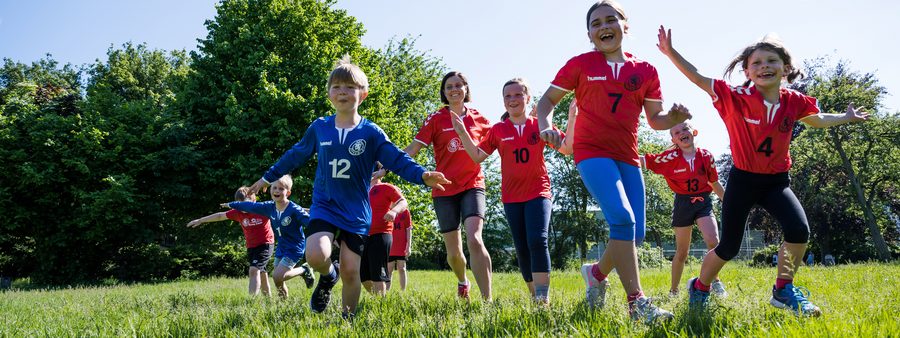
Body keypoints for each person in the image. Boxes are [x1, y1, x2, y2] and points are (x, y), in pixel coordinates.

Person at [658, 26, 868, 317]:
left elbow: (816, 119)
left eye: (771, 61)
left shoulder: (794, 101)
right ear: (746, 71)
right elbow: (697, 77)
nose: (764, 67)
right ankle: (700, 287)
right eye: (756, 63)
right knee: (728, 247)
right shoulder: (734, 97)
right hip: (743, 180)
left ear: (785, 69)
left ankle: (783, 290)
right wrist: (671, 53)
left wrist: (844, 117)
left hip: (776, 182)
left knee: (798, 230)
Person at [247, 57, 450, 319]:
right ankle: (327, 277)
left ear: (363, 94)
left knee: (352, 272)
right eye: (337, 86)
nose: (343, 91)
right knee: (316, 255)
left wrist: (422, 175)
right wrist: (267, 177)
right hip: (325, 205)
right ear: (329, 94)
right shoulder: (320, 128)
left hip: (356, 212)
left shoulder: (371, 133)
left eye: (350, 87)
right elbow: (295, 154)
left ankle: (347, 321)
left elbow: (397, 159)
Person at [535, 0, 688, 323]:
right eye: (596, 23)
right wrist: (546, 126)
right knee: (622, 218)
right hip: (591, 152)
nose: (603, 27)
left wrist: (672, 116)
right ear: (589, 34)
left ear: (625, 25)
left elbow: (656, 119)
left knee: (635, 234)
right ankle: (638, 303)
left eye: (610, 20)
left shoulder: (645, 71)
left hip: (628, 156)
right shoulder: (580, 64)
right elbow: (547, 101)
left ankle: (597, 274)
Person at [451, 78, 575, 304]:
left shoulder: (540, 125)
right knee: (522, 246)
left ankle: (542, 297)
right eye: (508, 96)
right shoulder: (498, 130)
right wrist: (462, 133)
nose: (513, 100)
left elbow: (567, 148)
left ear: (528, 98)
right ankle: (533, 294)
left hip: (538, 192)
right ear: (503, 101)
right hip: (511, 197)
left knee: (538, 240)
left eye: (518, 95)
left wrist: (572, 118)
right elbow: (478, 156)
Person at [404, 71, 493, 300]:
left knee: (475, 239)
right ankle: (463, 281)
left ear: (466, 89)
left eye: (458, 85)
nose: (454, 89)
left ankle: (487, 300)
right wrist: (386, 165)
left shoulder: (479, 118)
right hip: (444, 189)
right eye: (449, 87)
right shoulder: (435, 119)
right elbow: (414, 148)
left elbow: (498, 140)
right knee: (454, 253)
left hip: (473, 184)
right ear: (444, 93)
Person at [642, 121, 727, 297]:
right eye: (676, 132)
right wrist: (617, 154)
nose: (682, 133)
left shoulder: (706, 156)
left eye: (685, 129)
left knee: (713, 242)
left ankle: (715, 282)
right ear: (673, 139)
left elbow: (714, 182)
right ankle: (674, 290)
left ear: (694, 132)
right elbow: (645, 161)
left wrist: (730, 202)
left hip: (703, 201)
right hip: (683, 204)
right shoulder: (669, 158)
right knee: (682, 252)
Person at [222, 176, 314, 299]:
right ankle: (283, 304)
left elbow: (311, 223)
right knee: (278, 281)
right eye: (274, 187)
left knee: (277, 276)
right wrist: (231, 204)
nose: (276, 191)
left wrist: (330, 235)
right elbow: (250, 206)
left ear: (288, 192)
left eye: (280, 189)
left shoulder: (294, 209)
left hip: (294, 247)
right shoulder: (269, 207)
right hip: (282, 245)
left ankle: (304, 270)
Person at [188, 186, 289, 296]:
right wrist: (201, 220)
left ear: (253, 201)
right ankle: (269, 300)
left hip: (266, 244)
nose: (243, 207)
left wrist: (308, 212)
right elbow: (219, 216)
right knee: (261, 273)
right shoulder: (237, 212)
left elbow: (285, 207)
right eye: (240, 204)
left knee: (253, 270)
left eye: (245, 203)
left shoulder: (262, 209)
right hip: (251, 246)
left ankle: (251, 301)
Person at [361, 163, 408, 296]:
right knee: (362, 275)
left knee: (378, 273)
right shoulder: (359, 191)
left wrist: (394, 211)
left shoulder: (386, 187)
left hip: (381, 234)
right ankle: (378, 298)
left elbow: (403, 201)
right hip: (362, 235)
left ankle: (380, 304)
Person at [386, 208, 413, 292]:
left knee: (402, 268)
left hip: (401, 246)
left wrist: (409, 245)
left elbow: (408, 229)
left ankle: (403, 292)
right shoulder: (386, 209)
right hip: (390, 245)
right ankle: (386, 293)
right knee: (389, 269)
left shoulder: (405, 211)